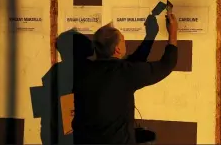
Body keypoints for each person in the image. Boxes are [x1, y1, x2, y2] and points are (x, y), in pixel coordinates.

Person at [72, 13, 178, 144]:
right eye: (123, 40)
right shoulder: (125, 72)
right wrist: (173, 33)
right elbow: (167, 64)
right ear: (117, 49)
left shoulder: (83, 70)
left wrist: (150, 36)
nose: (125, 43)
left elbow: (132, 64)